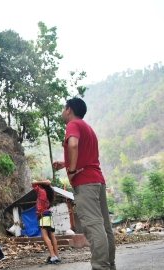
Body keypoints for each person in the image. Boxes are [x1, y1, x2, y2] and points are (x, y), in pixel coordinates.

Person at [53, 97, 116, 270]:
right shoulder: (88, 128)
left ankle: (100, 267)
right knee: (105, 226)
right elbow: (84, 154)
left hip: (85, 183)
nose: (62, 112)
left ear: (69, 109)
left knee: (94, 226)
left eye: (63, 108)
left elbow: (73, 145)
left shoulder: (72, 125)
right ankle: (110, 265)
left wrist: (72, 171)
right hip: (98, 180)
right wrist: (66, 163)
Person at [32, 179, 60, 264]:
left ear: (42, 185)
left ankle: (52, 256)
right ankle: (56, 255)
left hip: (43, 215)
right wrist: (46, 183)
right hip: (48, 214)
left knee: (45, 236)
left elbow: (33, 183)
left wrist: (42, 182)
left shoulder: (41, 191)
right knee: (52, 235)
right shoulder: (49, 193)